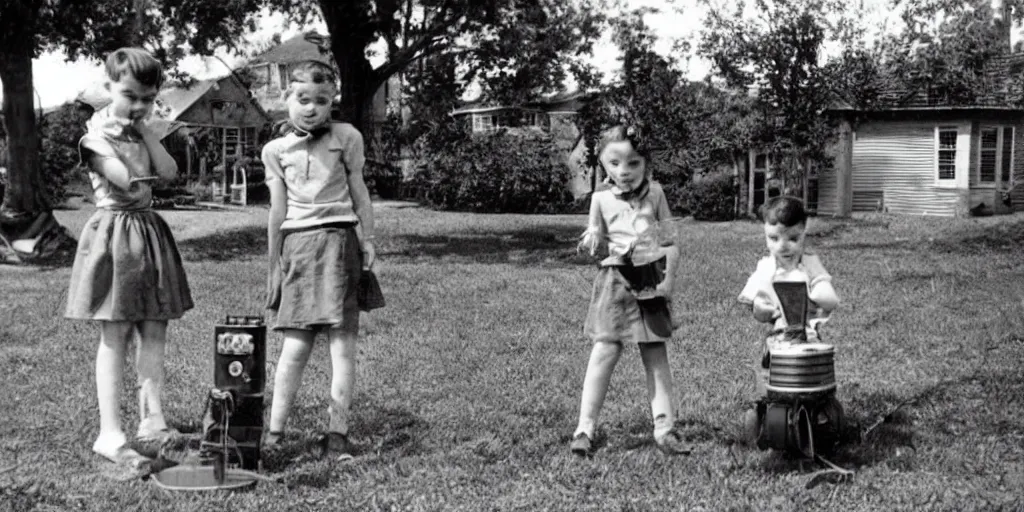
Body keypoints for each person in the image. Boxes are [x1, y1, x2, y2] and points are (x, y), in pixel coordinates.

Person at [65, 47, 193, 469]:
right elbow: (130, 184)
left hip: (147, 232)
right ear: (109, 88)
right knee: (115, 336)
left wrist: (150, 133)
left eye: (148, 98)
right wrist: (130, 137)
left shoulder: (143, 131)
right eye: (129, 95)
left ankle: (152, 421)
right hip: (115, 234)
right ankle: (110, 433)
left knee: (154, 330)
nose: (139, 106)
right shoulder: (93, 137)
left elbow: (170, 174)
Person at [261, 60, 377, 460]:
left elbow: (359, 192)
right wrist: (274, 263)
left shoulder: (347, 137)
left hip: (340, 242)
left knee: (342, 345)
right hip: (297, 246)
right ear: (286, 98)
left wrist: (369, 238)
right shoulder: (274, 150)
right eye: (303, 99)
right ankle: (274, 434)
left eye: (321, 100)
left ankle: (337, 434)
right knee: (295, 345)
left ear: (333, 102)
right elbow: (277, 212)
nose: (311, 108)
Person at [570, 125, 691, 456]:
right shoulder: (600, 199)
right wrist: (590, 242)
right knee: (605, 351)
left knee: (654, 354)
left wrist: (667, 283)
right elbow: (593, 243)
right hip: (616, 282)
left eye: (634, 163)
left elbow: (670, 243)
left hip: (650, 281)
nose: (624, 171)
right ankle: (585, 428)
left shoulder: (657, 195)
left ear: (646, 164)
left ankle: (665, 428)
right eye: (615, 163)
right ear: (603, 163)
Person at [737, 196, 839, 436]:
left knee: (812, 366)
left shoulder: (810, 263)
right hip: (779, 334)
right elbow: (757, 307)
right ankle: (766, 404)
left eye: (793, 239)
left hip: (806, 334)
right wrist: (762, 309)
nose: (782, 246)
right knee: (769, 368)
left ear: (804, 231)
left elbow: (827, 294)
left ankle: (818, 405)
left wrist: (821, 293)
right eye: (773, 239)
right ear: (765, 234)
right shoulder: (766, 268)